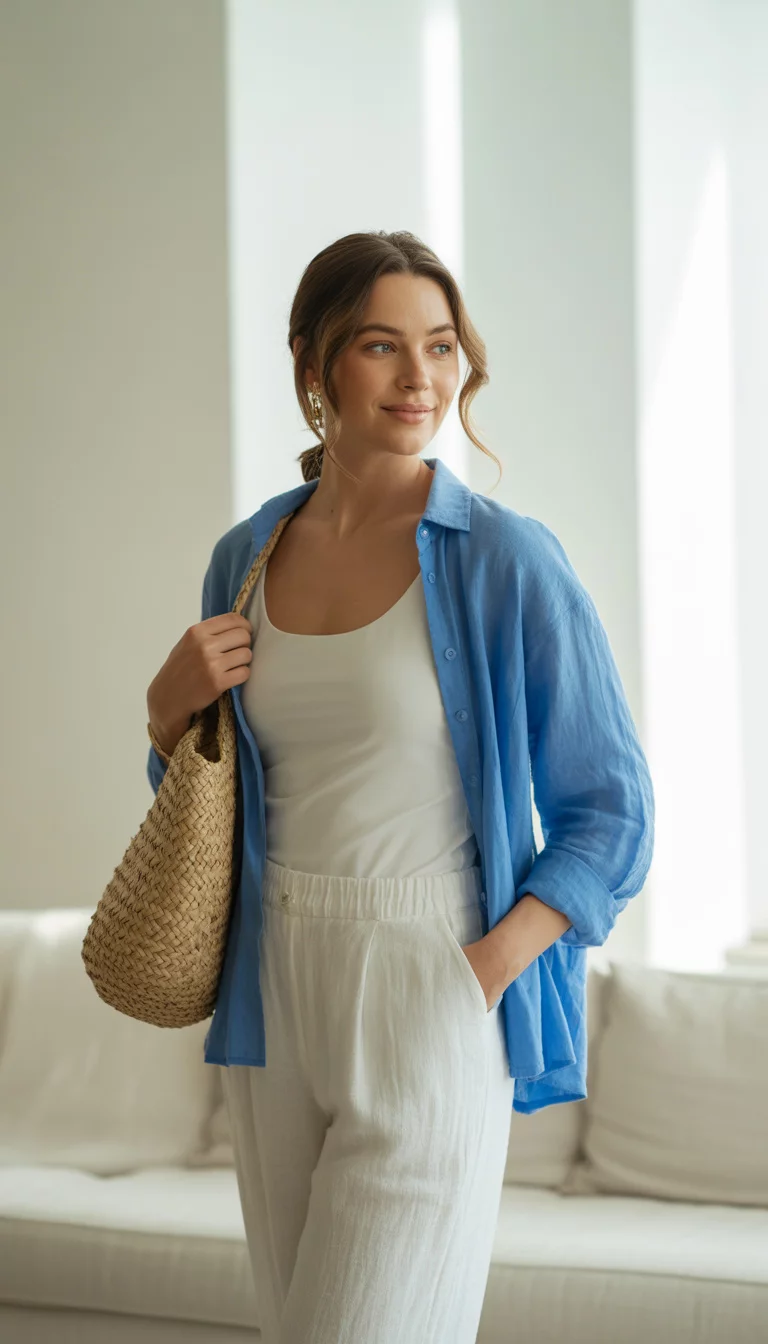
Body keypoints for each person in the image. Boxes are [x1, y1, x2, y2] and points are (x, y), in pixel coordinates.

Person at [145, 230, 655, 1344]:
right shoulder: (244, 556)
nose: (421, 377)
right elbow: (201, 799)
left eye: (440, 344)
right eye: (382, 345)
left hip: (428, 975)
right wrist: (165, 712)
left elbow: (611, 808)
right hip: (270, 991)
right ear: (314, 364)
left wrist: (483, 967)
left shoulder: (507, 561)